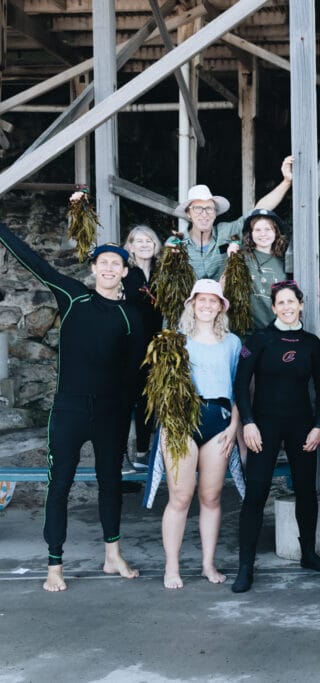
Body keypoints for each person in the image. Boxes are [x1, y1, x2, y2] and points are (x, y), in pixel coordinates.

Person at [0, 220, 145, 592]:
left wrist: (127, 412)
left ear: (124, 272)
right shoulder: (73, 295)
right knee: (59, 485)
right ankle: (55, 566)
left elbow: (135, 371)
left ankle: (113, 556)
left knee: (110, 484)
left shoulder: (131, 316)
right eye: (103, 262)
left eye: (116, 263)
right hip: (70, 409)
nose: (109, 268)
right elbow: (35, 262)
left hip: (110, 413)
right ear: (93, 268)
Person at [231, 281, 320, 593]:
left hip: (302, 425)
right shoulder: (260, 339)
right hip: (264, 425)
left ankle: (308, 554)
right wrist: (248, 423)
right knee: (256, 492)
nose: (287, 307)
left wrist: (319, 425)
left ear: (301, 304)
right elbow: (240, 384)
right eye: (281, 303)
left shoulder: (311, 344)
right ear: (274, 307)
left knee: (306, 490)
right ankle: (245, 566)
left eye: (292, 302)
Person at [160, 280, 241, 589]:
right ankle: (172, 566)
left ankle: (208, 564)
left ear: (220, 306)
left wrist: (233, 426)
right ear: (192, 304)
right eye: (201, 300)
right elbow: (163, 387)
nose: (207, 305)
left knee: (211, 497)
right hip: (182, 422)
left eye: (213, 300)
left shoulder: (232, 342)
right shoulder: (177, 339)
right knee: (180, 497)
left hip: (218, 420)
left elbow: (239, 388)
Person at [172, 156, 293, 280]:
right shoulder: (175, 244)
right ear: (188, 213)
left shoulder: (226, 232)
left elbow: (258, 210)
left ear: (215, 213)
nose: (204, 214)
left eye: (209, 208)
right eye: (197, 209)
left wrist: (286, 181)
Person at [122, 224, 163, 471]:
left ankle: (142, 452)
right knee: (126, 399)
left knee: (148, 400)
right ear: (131, 246)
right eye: (139, 241)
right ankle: (120, 454)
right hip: (129, 345)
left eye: (149, 240)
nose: (145, 244)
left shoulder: (161, 272)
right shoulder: (126, 273)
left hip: (154, 345)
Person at [241, 209, 289, 330]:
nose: (263, 234)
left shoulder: (284, 262)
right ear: (250, 233)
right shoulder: (240, 257)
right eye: (257, 230)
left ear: (276, 232)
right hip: (245, 332)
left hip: (276, 330)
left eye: (268, 229)